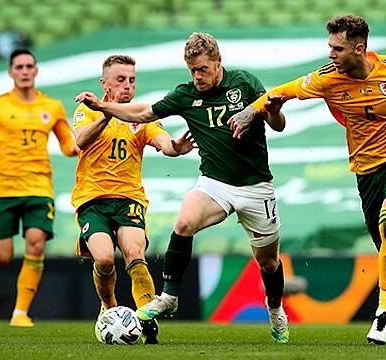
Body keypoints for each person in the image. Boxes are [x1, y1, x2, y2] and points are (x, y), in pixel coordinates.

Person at [228, 15, 386, 345]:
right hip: (366, 172)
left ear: (359, 48)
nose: (330, 55)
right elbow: (282, 92)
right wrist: (252, 111)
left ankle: (383, 316)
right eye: (329, 47)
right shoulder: (326, 79)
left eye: (337, 48)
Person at [75, 32, 290, 343]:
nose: (197, 76)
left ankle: (275, 310)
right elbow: (144, 112)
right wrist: (104, 108)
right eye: (191, 70)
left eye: (202, 69)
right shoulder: (186, 94)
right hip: (215, 183)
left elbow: (279, 124)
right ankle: (169, 295)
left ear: (219, 62)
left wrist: (270, 111)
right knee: (184, 221)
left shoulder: (245, 82)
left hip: (256, 187)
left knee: (268, 261)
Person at [71, 55, 195, 343]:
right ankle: (109, 307)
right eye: (120, 80)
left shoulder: (142, 116)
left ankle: (147, 320)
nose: (127, 86)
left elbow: (165, 144)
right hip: (93, 200)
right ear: (104, 83)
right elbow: (80, 141)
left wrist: (176, 146)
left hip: (129, 200)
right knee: (103, 260)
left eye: (132, 80)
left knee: (135, 256)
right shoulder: (86, 111)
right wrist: (105, 113)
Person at [0, 49, 78, 327]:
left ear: (36, 70)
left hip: (39, 187)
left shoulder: (52, 106)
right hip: (5, 188)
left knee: (36, 242)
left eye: (29, 66)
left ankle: (20, 313)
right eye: (19, 67)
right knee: (0, 258)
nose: (25, 71)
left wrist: (76, 149)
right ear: (11, 72)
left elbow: (67, 142)